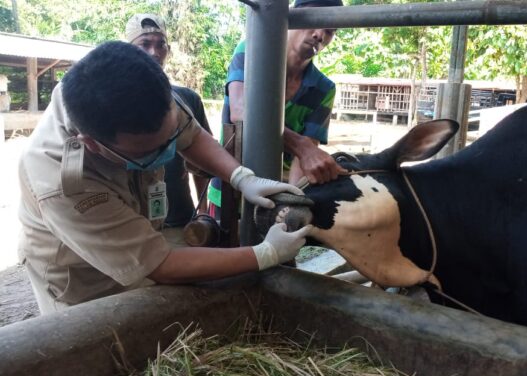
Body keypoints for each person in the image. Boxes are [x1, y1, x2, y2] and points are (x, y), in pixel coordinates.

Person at [17, 41, 311, 314]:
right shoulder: (64, 184)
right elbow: (160, 263)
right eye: (151, 151)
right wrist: (265, 254)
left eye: (169, 138)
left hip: (136, 234)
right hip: (81, 279)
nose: (169, 151)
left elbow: (190, 135)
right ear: (93, 144)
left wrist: (241, 177)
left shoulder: (147, 97)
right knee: (94, 347)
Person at [209, 0, 346, 217]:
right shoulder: (250, 52)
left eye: (330, 31)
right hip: (230, 184)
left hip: (277, 195)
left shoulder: (324, 88)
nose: (320, 35)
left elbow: (304, 160)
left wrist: (292, 202)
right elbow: (241, 112)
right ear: (292, 16)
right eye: (315, 21)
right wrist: (301, 145)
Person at [125, 14, 211, 234]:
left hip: (181, 220)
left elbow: (202, 162)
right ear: (128, 50)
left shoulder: (187, 100)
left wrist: (201, 211)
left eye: (161, 45)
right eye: (145, 44)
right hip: (132, 223)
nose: (154, 52)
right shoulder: (117, 101)